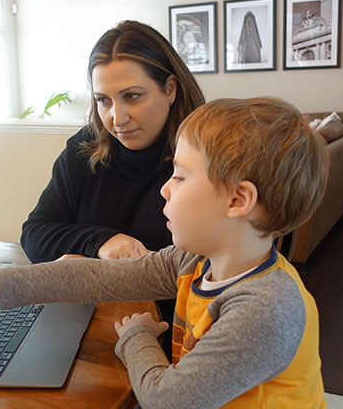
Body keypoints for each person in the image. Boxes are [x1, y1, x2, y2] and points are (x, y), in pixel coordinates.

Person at [0, 97, 328, 408]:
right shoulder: (196, 262)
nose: (165, 187)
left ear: (238, 201)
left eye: (180, 176)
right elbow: (93, 276)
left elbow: (167, 400)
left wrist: (136, 337)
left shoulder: (266, 309)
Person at [20, 20, 205, 358]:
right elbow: (34, 234)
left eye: (132, 97)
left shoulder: (204, 155)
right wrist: (100, 241)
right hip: (89, 330)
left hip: (168, 338)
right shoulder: (84, 149)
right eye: (103, 100)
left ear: (170, 89)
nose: (116, 118)